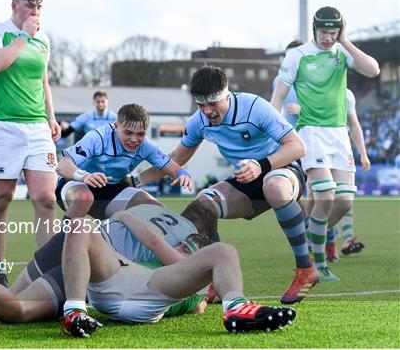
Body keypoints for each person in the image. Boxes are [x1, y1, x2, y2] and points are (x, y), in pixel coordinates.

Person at [135, 65, 317, 304]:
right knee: (203, 204)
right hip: (245, 179)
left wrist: (261, 165)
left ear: (226, 94)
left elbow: (297, 147)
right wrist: (134, 180)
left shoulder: (255, 107)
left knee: (273, 186)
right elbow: (176, 160)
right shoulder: (198, 122)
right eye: (201, 105)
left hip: (280, 168)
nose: (207, 111)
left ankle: (306, 270)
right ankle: (216, 278)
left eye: (213, 104)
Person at [0, 204, 210, 332]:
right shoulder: (184, 270)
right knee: (17, 308)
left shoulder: (158, 216)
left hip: (73, 244)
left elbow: (150, 232)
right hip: (87, 264)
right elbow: (196, 294)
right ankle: (74, 310)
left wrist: (123, 215)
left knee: (12, 299)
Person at [271, 6, 379, 281]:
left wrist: (345, 40)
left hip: (339, 136)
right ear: (314, 29)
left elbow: (374, 70)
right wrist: (274, 133)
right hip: (311, 133)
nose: (328, 37)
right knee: (326, 197)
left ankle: (308, 235)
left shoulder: (341, 52)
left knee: (343, 202)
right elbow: (278, 99)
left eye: (333, 32)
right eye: (324, 32)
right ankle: (319, 264)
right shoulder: (298, 55)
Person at [60, 218, 297, 338]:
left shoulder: (188, 277)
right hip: (117, 282)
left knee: (224, 250)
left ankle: (237, 306)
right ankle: (74, 312)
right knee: (80, 224)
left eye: (186, 247)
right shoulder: (195, 297)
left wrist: (123, 215)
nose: (181, 246)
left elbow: (155, 241)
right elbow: (199, 306)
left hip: (144, 290)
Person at [0, 0, 61, 287]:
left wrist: (51, 117)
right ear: (15, 6)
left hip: (37, 127)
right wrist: (24, 35)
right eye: (30, 6)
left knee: (46, 199)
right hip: (4, 126)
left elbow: (43, 81)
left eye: (39, 7)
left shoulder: (44, 42)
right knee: (2, 199)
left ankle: (52, 271)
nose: (35, 12)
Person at [55, 103, 194, 222]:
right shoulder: (98, 137)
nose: (134, 139)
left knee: (157, 210)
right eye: (128, 133)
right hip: (77, 183)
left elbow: (172, 168)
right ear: (116, 126)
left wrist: (183, 174)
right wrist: (85, 176)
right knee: (83, 198)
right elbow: (62, 166)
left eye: (140, 134)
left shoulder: (147, 146)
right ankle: (56, 250)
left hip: (111, 189)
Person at [286, 89, 370, 262]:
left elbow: (353, 123)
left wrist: (363, 153)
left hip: (338, 146)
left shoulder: (346, 94)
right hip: (313, 144)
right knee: (318, 199)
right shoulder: (307, 87)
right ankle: (324, 245)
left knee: (338, 199)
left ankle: (325, 243)